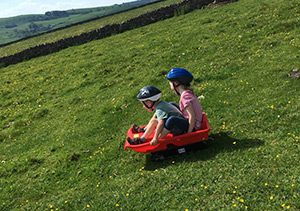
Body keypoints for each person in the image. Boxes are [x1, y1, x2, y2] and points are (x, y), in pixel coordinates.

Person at [166, 68, 203, 133]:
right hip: (191, 121)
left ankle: (159, 137)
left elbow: (192, 116)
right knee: (171, 105)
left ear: (176, 83)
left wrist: (189, 133)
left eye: (170, 82)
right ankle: (162, 126)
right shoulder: (187, 93)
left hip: (193, 126)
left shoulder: (185, 96)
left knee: (171, 120)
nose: (169, 84)